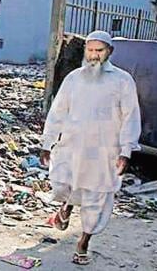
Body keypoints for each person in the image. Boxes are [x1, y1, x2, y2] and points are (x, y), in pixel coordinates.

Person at [40, 30, 141, 266]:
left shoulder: (122, 80)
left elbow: (130, 117)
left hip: (105, 152)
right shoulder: (74, 78)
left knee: (97, 197)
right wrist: (48, 142)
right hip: (72, 147)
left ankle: (83, 242)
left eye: (99, 50)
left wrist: (126, 150)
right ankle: (65, 208)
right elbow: (58, 112)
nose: (94, 56)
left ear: (110, 52)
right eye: (90, 50)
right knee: (63, 184)